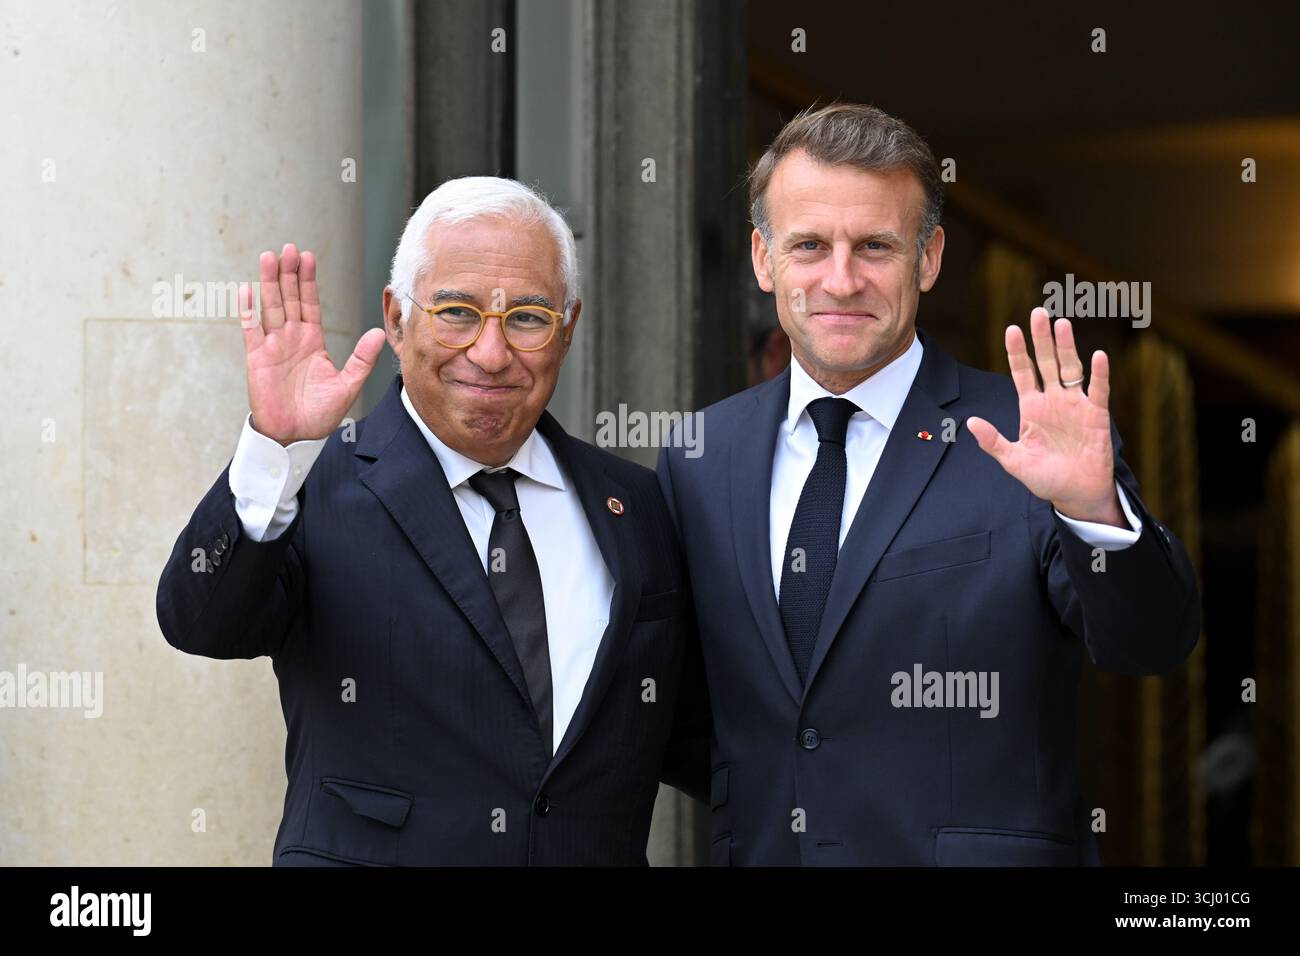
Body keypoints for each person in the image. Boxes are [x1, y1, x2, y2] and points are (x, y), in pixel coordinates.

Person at [657, 104, 1200, 866]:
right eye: (809, 245)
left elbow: (1150, 644)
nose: (840, 280)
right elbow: (680, 711)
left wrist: (1091, 509)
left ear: (929, 257)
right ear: (763, 258)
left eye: (875, 246)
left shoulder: (1027, 436)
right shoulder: (698, 456)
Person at [157, 176, 708, 866]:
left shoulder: (636, 507)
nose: (490, 352)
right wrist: (275, 449)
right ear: (395, 318)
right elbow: (201, 621)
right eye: (457, 312)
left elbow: (704, 741)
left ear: (567, 330)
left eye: (529, 317)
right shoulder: (313, 487)